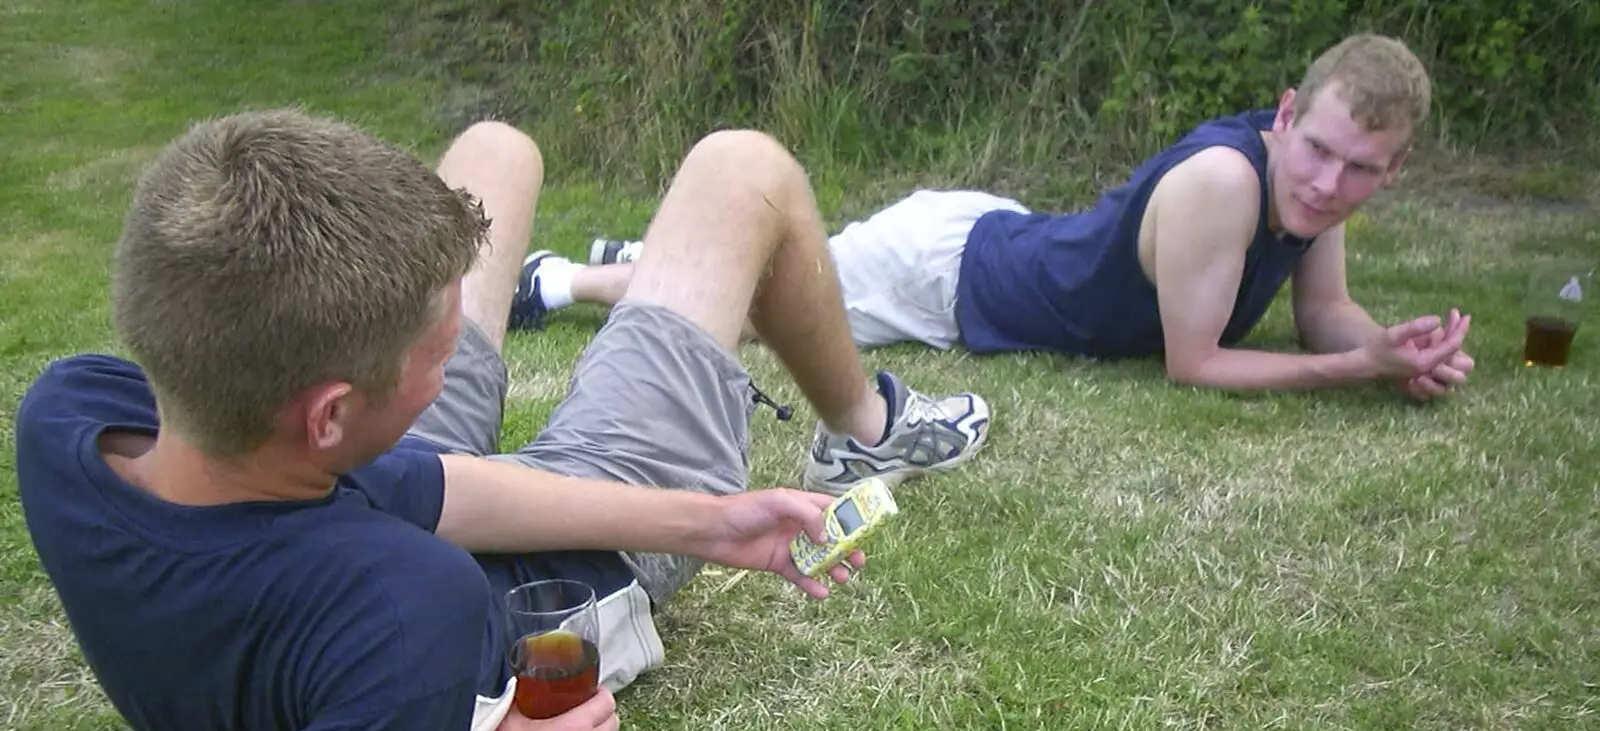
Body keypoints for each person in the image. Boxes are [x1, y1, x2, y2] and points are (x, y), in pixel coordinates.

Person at [14, 111, 990, 731]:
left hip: (332, 482)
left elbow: (412, 484)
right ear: (329, 414)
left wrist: (712, 522)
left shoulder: (74, 414)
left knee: (494, 147)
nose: (464, 358)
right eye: (442, 352)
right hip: (547, 584)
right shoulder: (403, 615)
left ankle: (502, 306)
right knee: (741, 171)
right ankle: (865, 430)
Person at [529, 34, 1473, 399]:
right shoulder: (1228, 182)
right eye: (1316, 149)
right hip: (946, 278)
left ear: (1392, 171)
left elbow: (1325, 313)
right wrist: (1356, 370)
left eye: (1358, 171)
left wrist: (1393, 344)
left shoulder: (1314, 192)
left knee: (772, 275)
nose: (1325, 182)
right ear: (1285, 115)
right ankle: (562, 278)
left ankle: (639, 251)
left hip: (1003, 236)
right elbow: (1198, 364)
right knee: (755, 300)